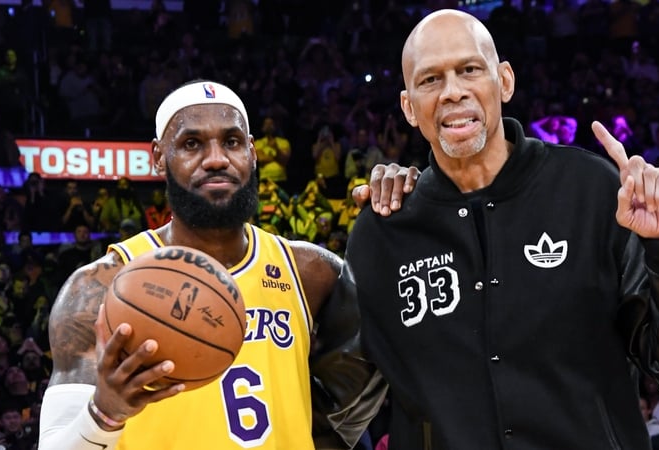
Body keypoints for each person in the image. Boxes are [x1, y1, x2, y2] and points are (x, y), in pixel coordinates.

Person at [345, 9, 659, 449]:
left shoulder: (594, 192)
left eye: (469, 70)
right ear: (409, 107)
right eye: (430, 79)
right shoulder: (384, 230)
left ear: (505, 81)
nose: (453, 91)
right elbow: (341, 401)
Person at [37, 80, 416, 450]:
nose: (216, 159)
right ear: (157, 156)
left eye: (231, 141)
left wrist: (412, 205)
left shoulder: (310, 272)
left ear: (251, 152)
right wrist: (104, 413)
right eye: (191, 144)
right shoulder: (98, 289)